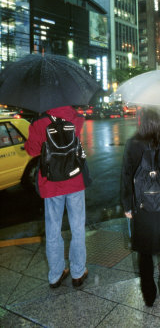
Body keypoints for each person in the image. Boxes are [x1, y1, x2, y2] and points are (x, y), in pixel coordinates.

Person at [121, 107, 160, 313]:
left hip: (142, 207)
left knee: (145, 253)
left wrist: (127, 205)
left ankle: (149, 296)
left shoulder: (133, 143)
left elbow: (126, 176)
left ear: (141, 121)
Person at [25, 106, 90, 288]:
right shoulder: (76, 118)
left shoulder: (39, 122)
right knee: (77, 227)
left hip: (51, 183)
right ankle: (78, 272)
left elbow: (32, 150)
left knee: (53, 229)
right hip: (75, 179)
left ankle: (56, 274)